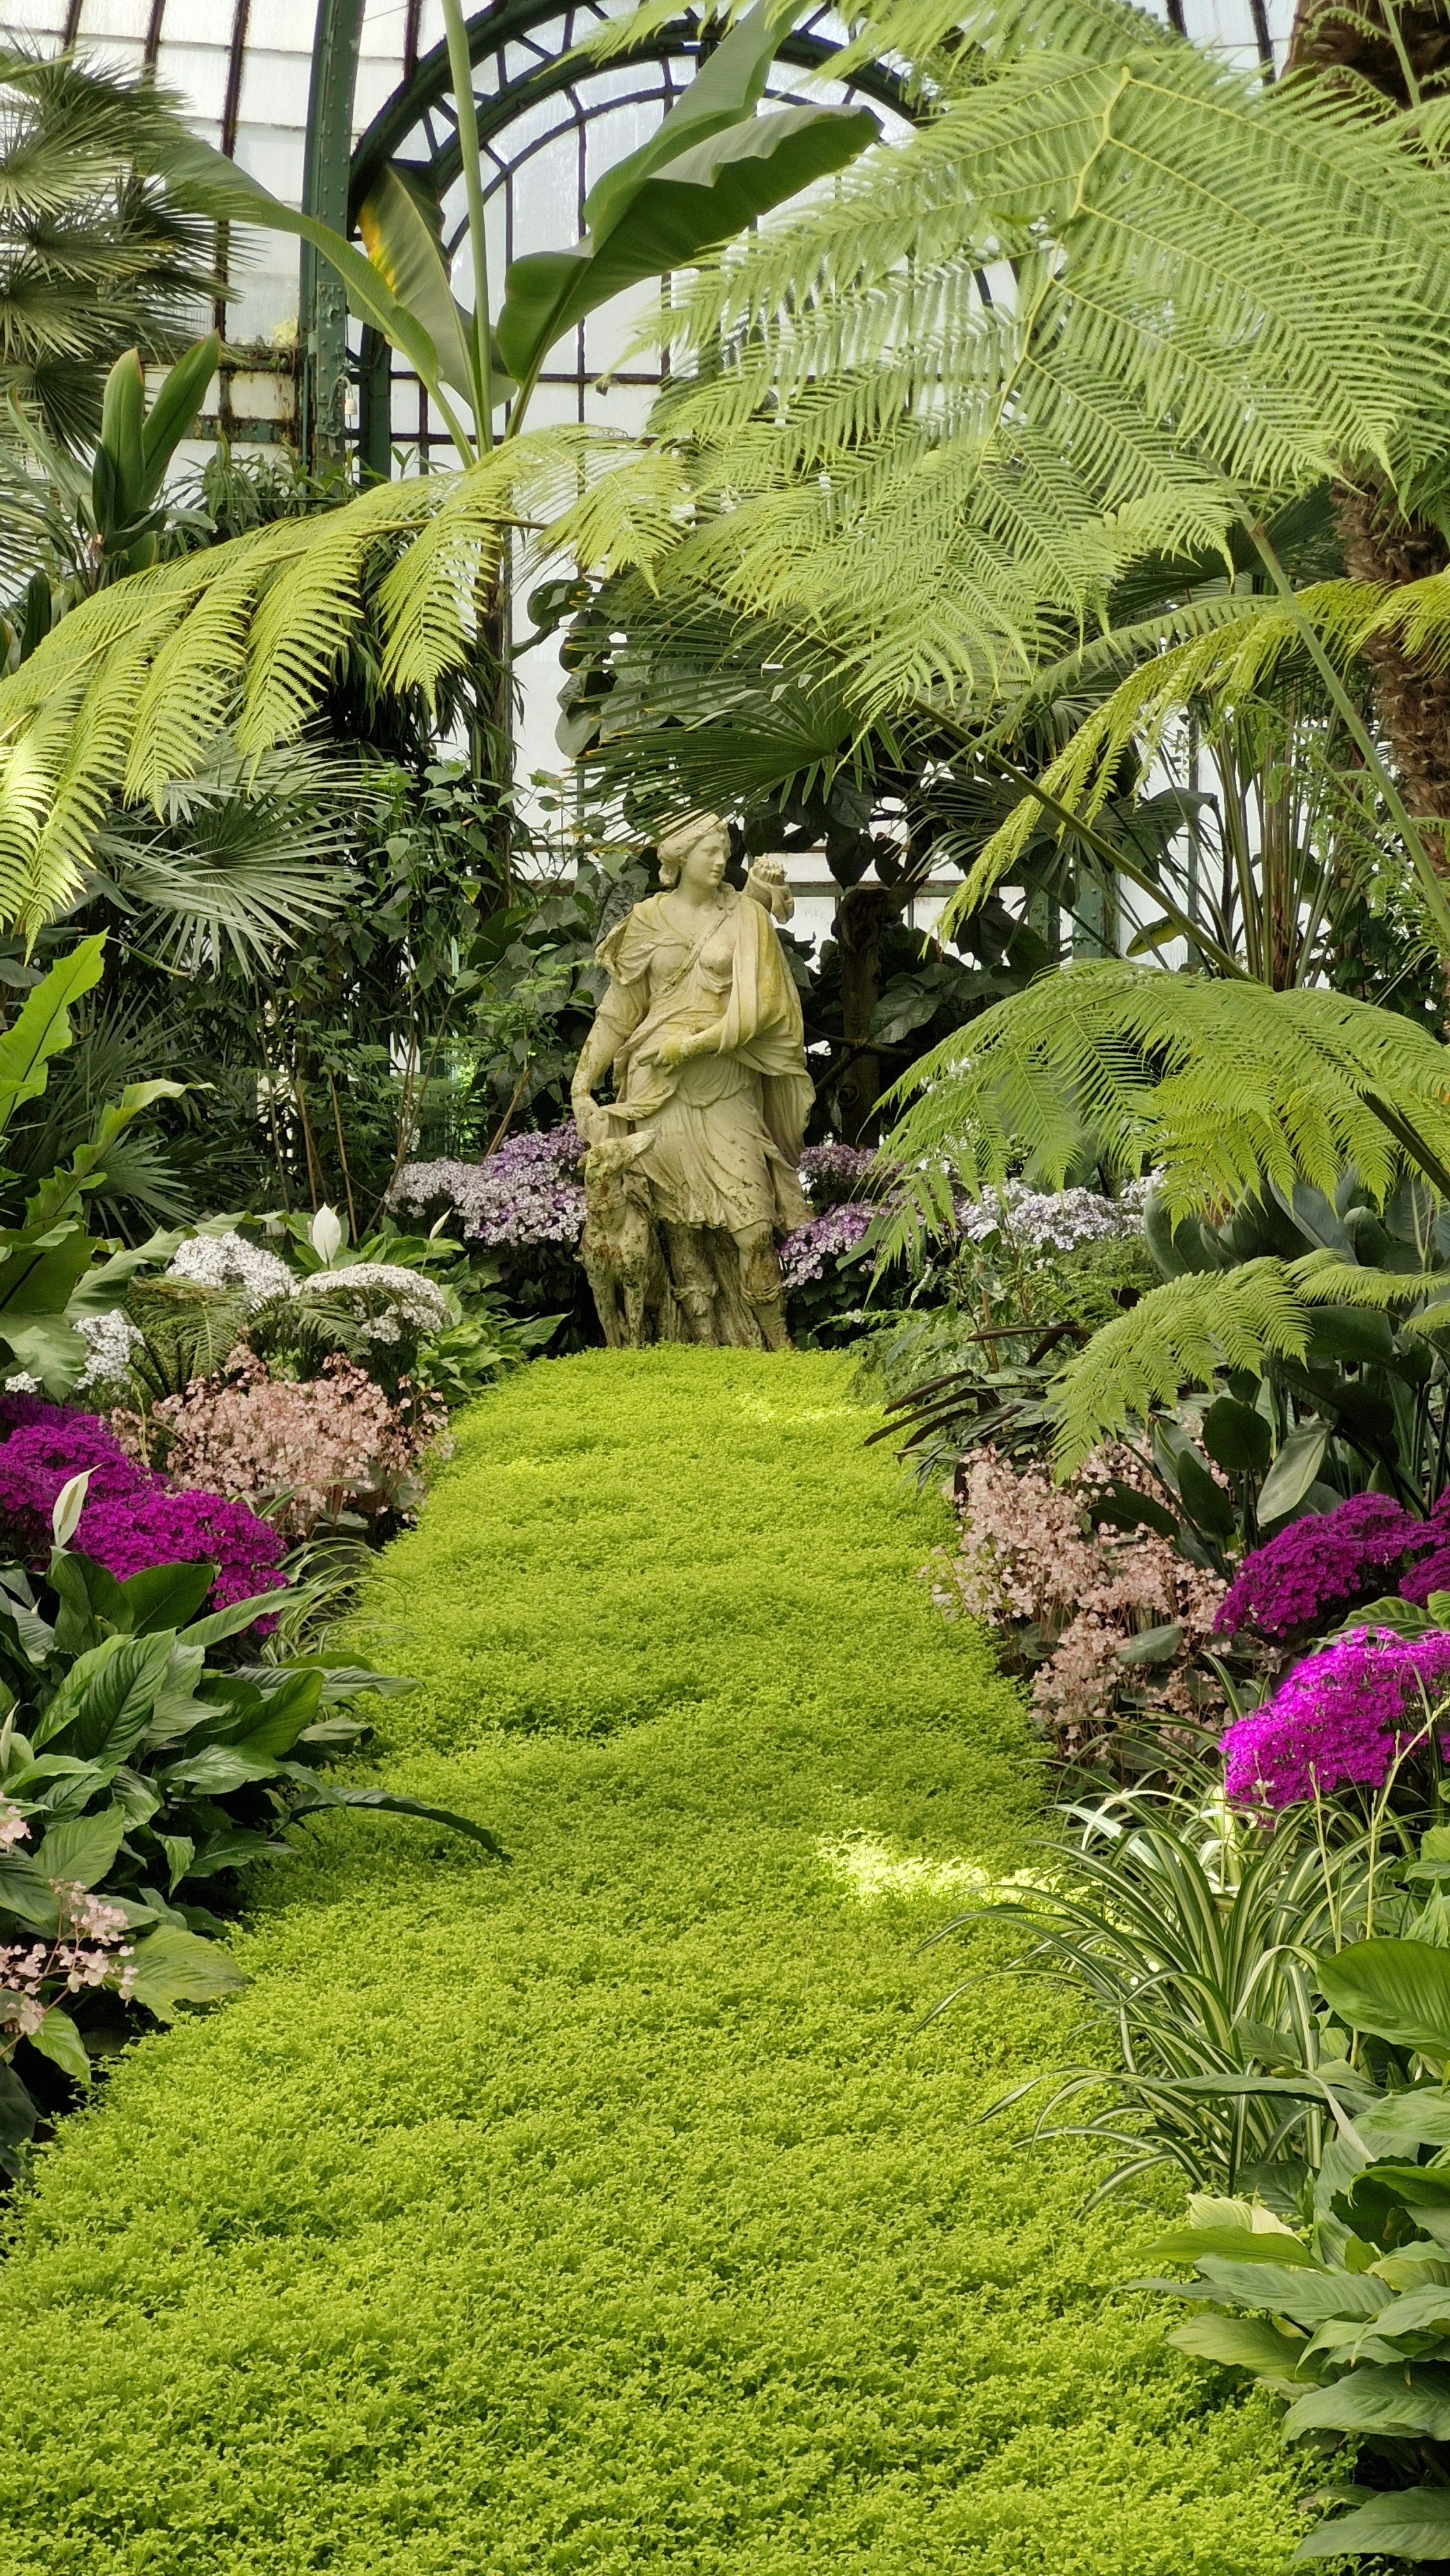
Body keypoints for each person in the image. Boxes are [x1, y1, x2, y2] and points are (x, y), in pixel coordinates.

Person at [570, 813, 813, 1347]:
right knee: (680, 1228)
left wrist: (690, 1046)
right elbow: (620, 1009)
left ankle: (779, 1350)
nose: (719, 858)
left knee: (753, 1226)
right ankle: (698, 1350)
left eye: (724, 848)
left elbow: (769, 1006)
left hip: (724, 1086)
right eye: (708, 850)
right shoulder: (648, 920)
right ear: (679, 857)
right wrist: (583, 1081)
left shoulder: (746, 917)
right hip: (657, 1093)